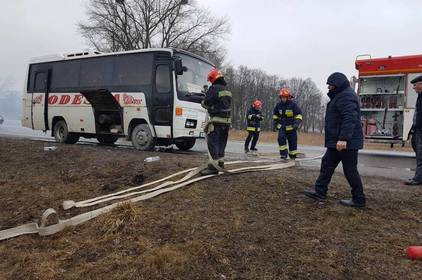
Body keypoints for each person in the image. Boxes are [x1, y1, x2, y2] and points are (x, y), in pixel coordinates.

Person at [303, 72, 366, 208]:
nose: (329, 88)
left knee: (350, 170)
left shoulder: (346, 96)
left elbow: (350, 118)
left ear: (337, 85)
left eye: (330, 86)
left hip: (345, 142)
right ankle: (320, 192)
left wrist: (343, 138)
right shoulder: (340, 96)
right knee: (327, 164)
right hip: (336, 142)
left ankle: (359, 199)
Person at [200, 68, 232, 176]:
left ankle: (213, 168)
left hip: (216, 122)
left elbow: (207, 103)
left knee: (213, 143)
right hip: (226, 123)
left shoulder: (213, 88)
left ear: (213, 78)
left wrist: (203, 101)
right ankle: (220, 164)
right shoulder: (227, 90)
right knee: (221, 143)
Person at [272, 88, 302, 160]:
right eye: (282, 97)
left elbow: (298, 115)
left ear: (288, 97)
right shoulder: (278, 105)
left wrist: (296, 123)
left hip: (292, 127)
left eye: (284, 97)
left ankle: (292, 156)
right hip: (282, 127)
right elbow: (275, 115)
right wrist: (275, 124)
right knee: (281, 139)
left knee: (292, 143)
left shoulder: (293, 105)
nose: (283, 99)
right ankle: (283, 155)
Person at [405, 75, 422, 185]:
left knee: (421, 156)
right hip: (418, 130)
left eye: (415, 85)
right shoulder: (420, 96)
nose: (413, 87)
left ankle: (418, 178)